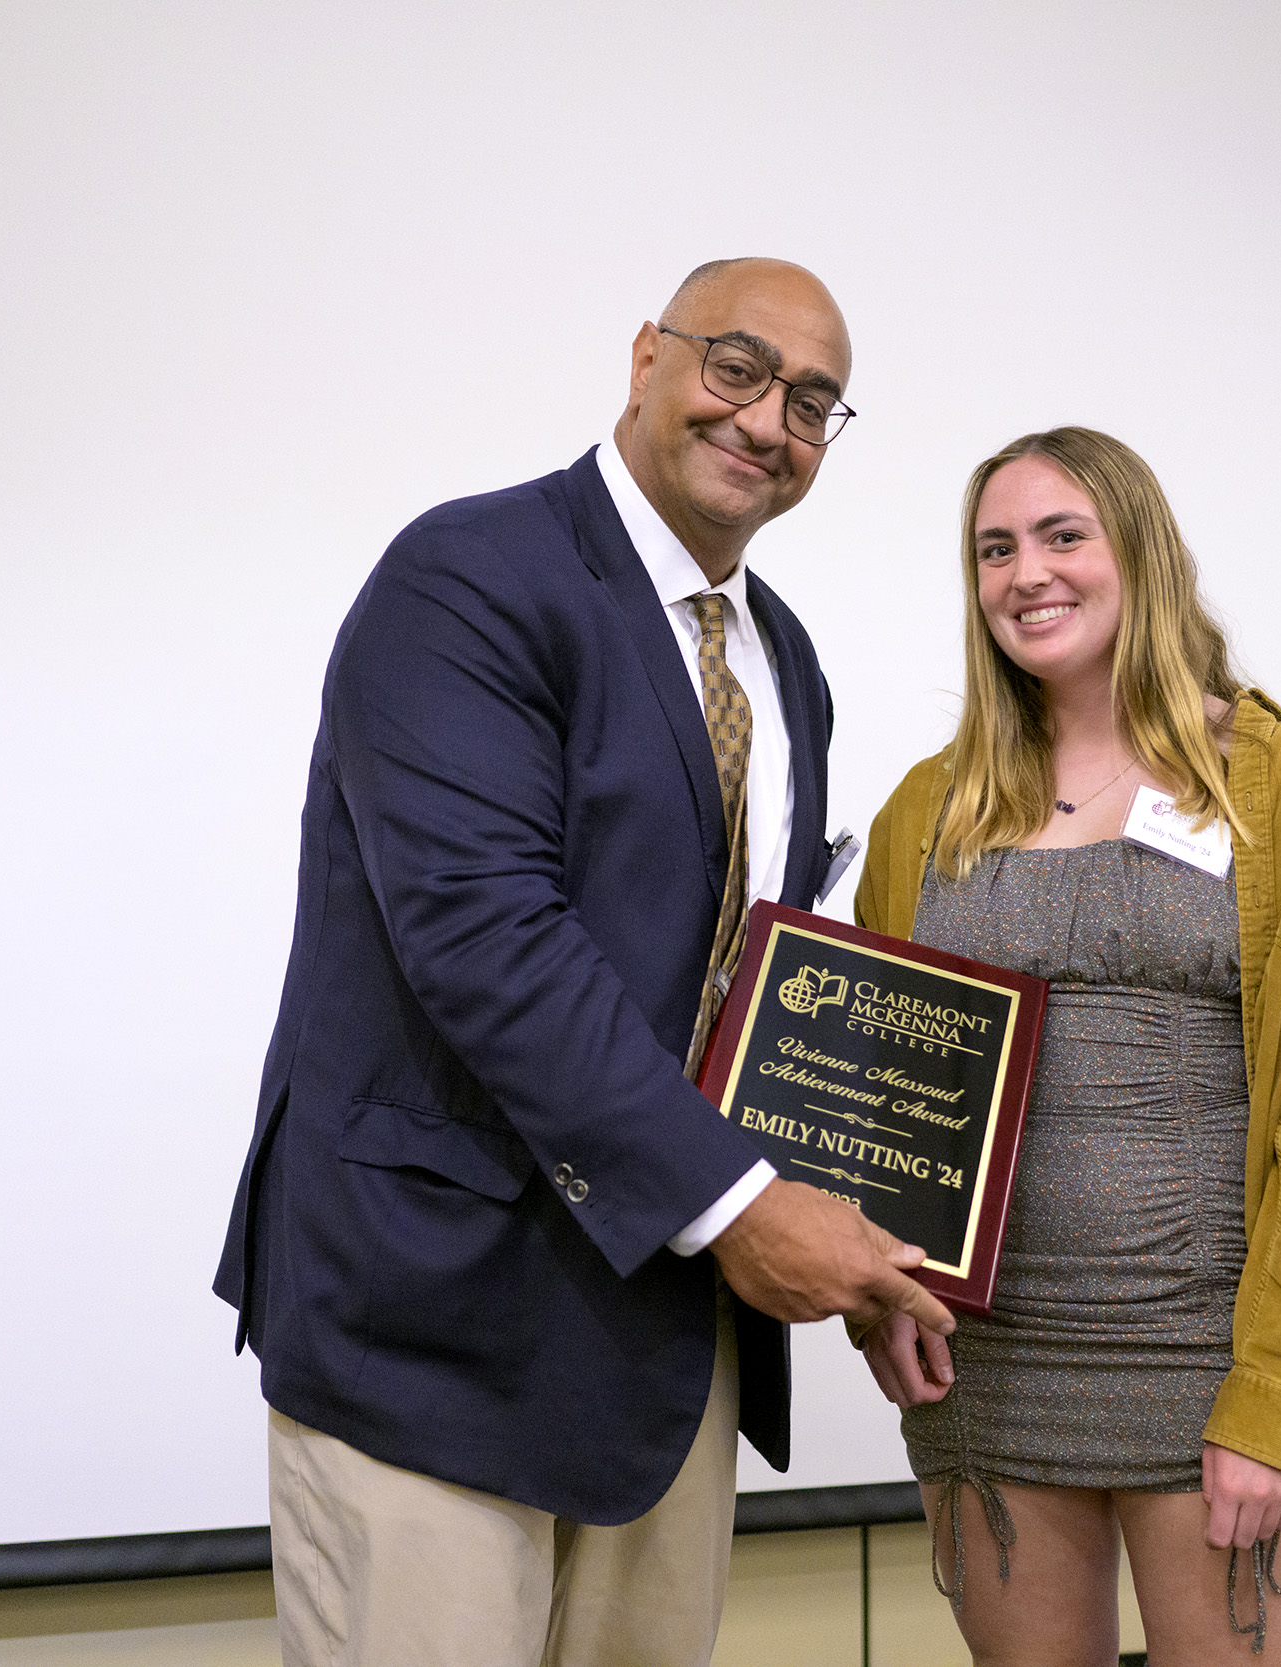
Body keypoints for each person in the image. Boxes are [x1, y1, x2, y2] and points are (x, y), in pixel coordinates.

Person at [213, 258, 956, 1667]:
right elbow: (486, 938)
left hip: (665, 1346)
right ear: (645, 359)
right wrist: (747, 1206)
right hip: (430, 1325)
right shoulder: (470, 576)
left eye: (812, 401)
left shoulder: (784, 658)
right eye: (736, 367)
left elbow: (758, 999)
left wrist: (849, 1244)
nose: (766, 419)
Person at [850, 428, 1281, 1665]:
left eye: (1063, 536)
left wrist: (1276, 1391)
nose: (1024, 573)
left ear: (1141, 557)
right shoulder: (925, 810)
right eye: (993, 548)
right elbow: (887, 1089)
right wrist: (876, 1289)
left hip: (1214, 1357)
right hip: (990, 1373)